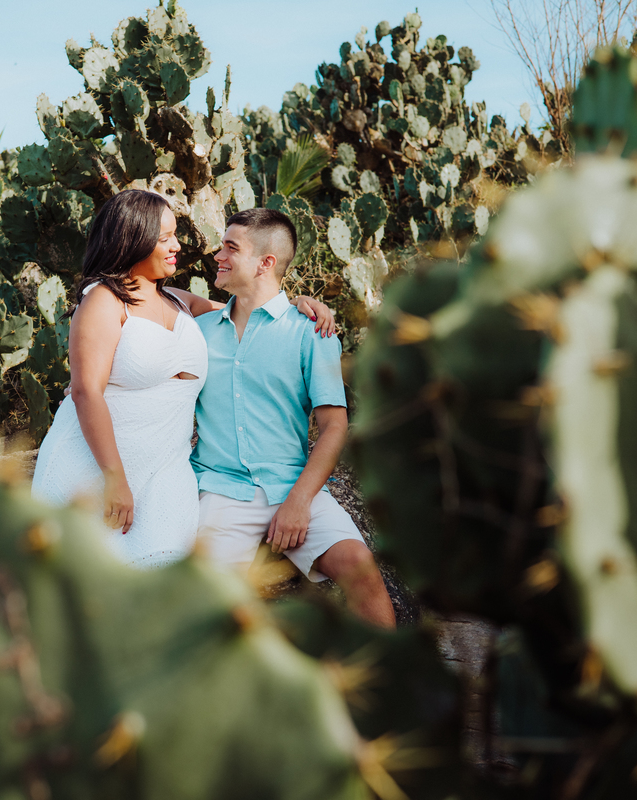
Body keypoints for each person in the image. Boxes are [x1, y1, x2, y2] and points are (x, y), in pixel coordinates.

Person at [31, 190, 334, 569]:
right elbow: (85, 391)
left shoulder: (178, 300)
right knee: (81, 583)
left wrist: (301, 303)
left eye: (174, 235)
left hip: (165, 471)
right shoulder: (104, 301)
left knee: (161, 576)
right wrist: (114, 478)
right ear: (133, 239)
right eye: (164, 239)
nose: (176, 245)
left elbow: (253, 307)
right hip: (96, 468)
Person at [192, 208, 397, 629]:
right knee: (209, 608)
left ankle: (389, 689)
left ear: (266, 262)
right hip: (220, 488)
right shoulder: (198, 329)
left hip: (291, 484)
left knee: (360, 567)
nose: (218, 255)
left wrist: (299, 502)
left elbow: (335, 426)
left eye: (231, 247)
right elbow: (154, 298)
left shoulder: (312, 332)